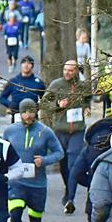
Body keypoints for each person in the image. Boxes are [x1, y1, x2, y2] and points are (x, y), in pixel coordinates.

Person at [1, 99, 64, 222]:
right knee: (14, 216)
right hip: (17, 182)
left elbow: (59, 153)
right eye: (24, 112)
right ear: (19, 113)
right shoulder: (10, 131)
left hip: (37, 184)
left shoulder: (45, 131)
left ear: (36, 112)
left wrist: (44, 160)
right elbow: (2, 152)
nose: (28, 115)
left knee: (35, 220)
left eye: (31, 111)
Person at [43, 60, 90, 213]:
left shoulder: (83, 86)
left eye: (70, 70)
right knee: (63, 164)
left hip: (77, 130)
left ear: (76, 71)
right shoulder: (57, 85)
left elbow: (88, 99)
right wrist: (57, 105)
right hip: (61, 130)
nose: (67, 73)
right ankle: (67, 188)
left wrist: (87, 108)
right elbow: (44, 103)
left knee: (73, 163)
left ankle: (70, 198)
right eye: (65, 70)